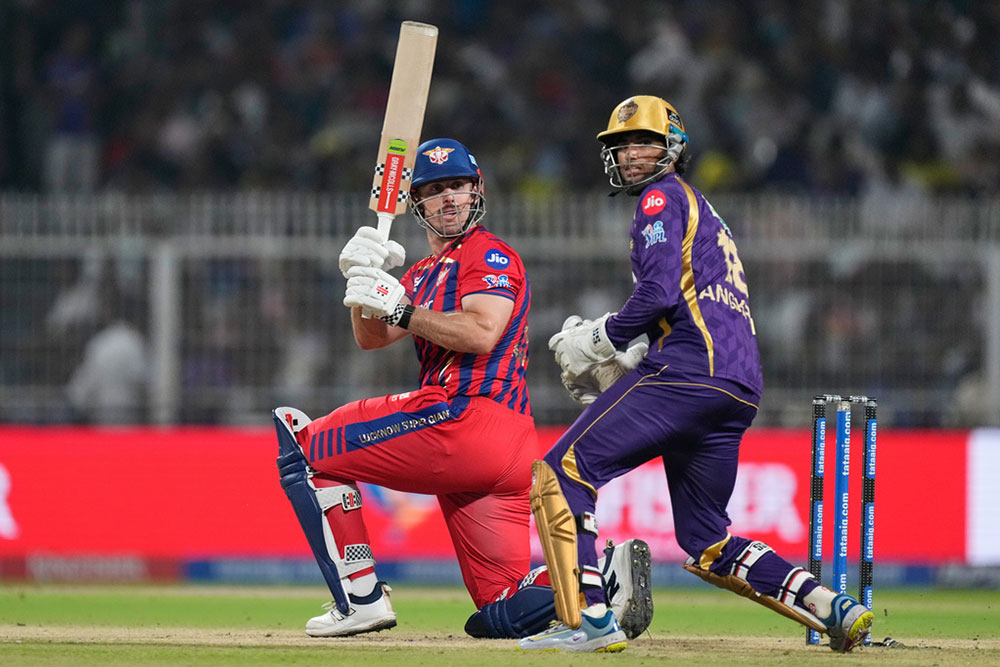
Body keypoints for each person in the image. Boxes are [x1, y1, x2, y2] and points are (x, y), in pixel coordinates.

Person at [517, 97, 875, 653]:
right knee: (707, 540)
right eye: (622, 145)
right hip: (733, 388)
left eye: (644, 142)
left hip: (689, 371)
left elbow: (658, 293)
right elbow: (689, 300)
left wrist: (598, 340)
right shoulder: (704, 210)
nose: (631, 155)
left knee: (561, 472)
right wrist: (636, 357)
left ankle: (588, 621)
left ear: (673, 148)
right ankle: (830, 606)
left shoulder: (662, 197)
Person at [272, 138, 652, 640]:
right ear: (418, 204)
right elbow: (371, 339)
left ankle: (359, 599)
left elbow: (480, 332)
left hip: (466, 417)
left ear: (477, 192)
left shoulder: (488, 253)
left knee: (303, 447)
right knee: (498, 612)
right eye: (434, 190)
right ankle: (599, 582)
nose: (448, 198)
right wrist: (363, 283)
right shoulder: (422, 271)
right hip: (503, 446)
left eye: (457, 186)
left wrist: (401, 308)